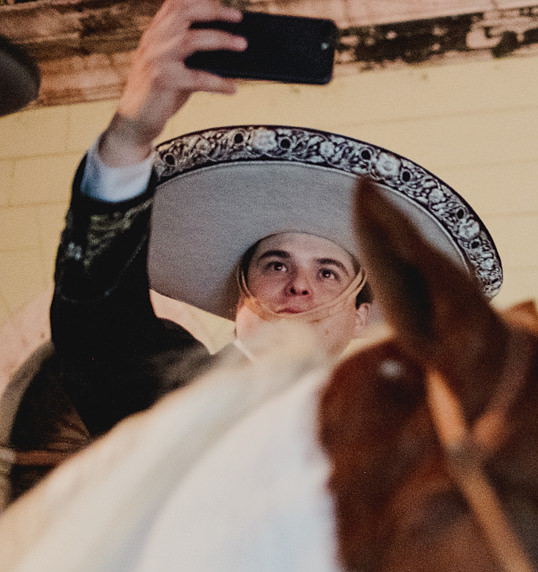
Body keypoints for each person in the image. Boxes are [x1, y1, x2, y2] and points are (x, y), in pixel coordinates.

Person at [4, 0, 501, 500]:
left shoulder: (400, 444)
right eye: (276, 264)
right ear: (241, 296)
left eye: (328, 272)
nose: (300, 285)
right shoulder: (171, 393)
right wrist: (130, 135)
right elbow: (96, 318)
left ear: (360, 316)